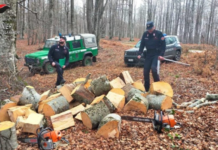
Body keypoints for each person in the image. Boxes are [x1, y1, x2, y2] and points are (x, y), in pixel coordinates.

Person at [137, 21, 166, 92]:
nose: (149, 30)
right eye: (148, 29)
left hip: (156, 54)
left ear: (154, 27)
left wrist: (161, 55)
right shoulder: (145, 34)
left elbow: (163, 45)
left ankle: (158, 87)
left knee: (154, 69)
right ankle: (146, 88)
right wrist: (139, 53)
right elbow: (142, 44)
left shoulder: (159, 34)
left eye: (150, 29)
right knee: (145, 71)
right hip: (148, 54)